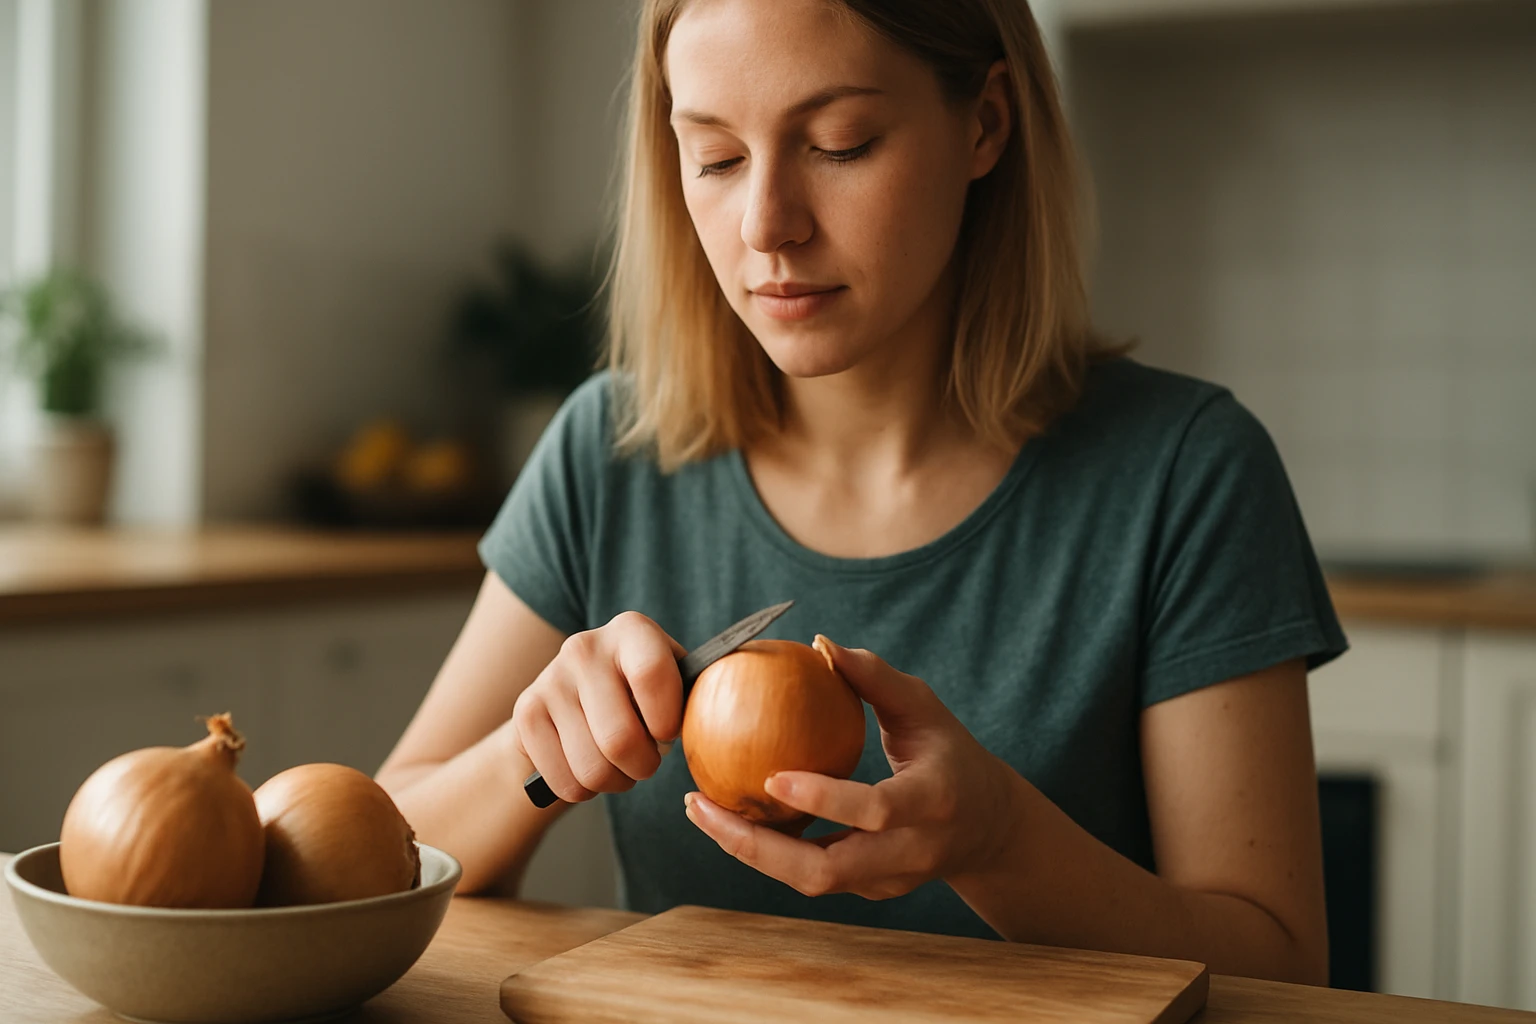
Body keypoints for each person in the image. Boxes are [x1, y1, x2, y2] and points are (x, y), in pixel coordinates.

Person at [375, 0, 1347, 985]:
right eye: (714, 157)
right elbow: (378, 850)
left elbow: (1280, 969)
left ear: (985, 123)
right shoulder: (610, 450)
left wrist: (1001, 841)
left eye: (841, 145)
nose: (767, 227)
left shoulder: (1187, 471)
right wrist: (530, 758)